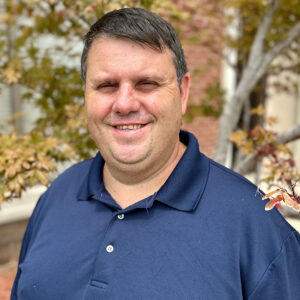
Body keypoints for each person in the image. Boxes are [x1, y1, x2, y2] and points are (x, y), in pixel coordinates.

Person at [11, 7, 300, 300]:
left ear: (182, 93)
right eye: (107, 85)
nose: (124, 104)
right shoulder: (58, 196)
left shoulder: (253, 225)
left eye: (146, 84)